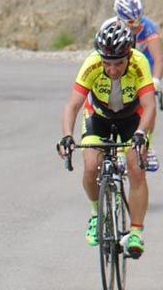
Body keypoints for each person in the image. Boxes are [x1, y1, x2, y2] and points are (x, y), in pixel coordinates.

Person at [57, 18, 156, 258]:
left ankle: (135, 232)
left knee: (136, 169)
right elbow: (72, 105)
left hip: (133, 118)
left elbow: (150, 106)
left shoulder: (139, 63)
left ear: (128, 57)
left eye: (119, 64)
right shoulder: (91, 64)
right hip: (98, 117)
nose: (112, 70)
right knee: (91, 167)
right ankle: (95, 214)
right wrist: (68, 137)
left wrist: (142, 133)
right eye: (107, 64)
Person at [113, 0, 163, 171]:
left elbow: (158, 60)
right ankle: (117, 148)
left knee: (149, 106)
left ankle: (146, 145)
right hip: (122, 71)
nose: (136, 26)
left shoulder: (148, 27)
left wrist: (156, 80)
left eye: (138, 20)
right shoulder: (111, 28)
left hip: (144, 71)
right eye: (131, 23)